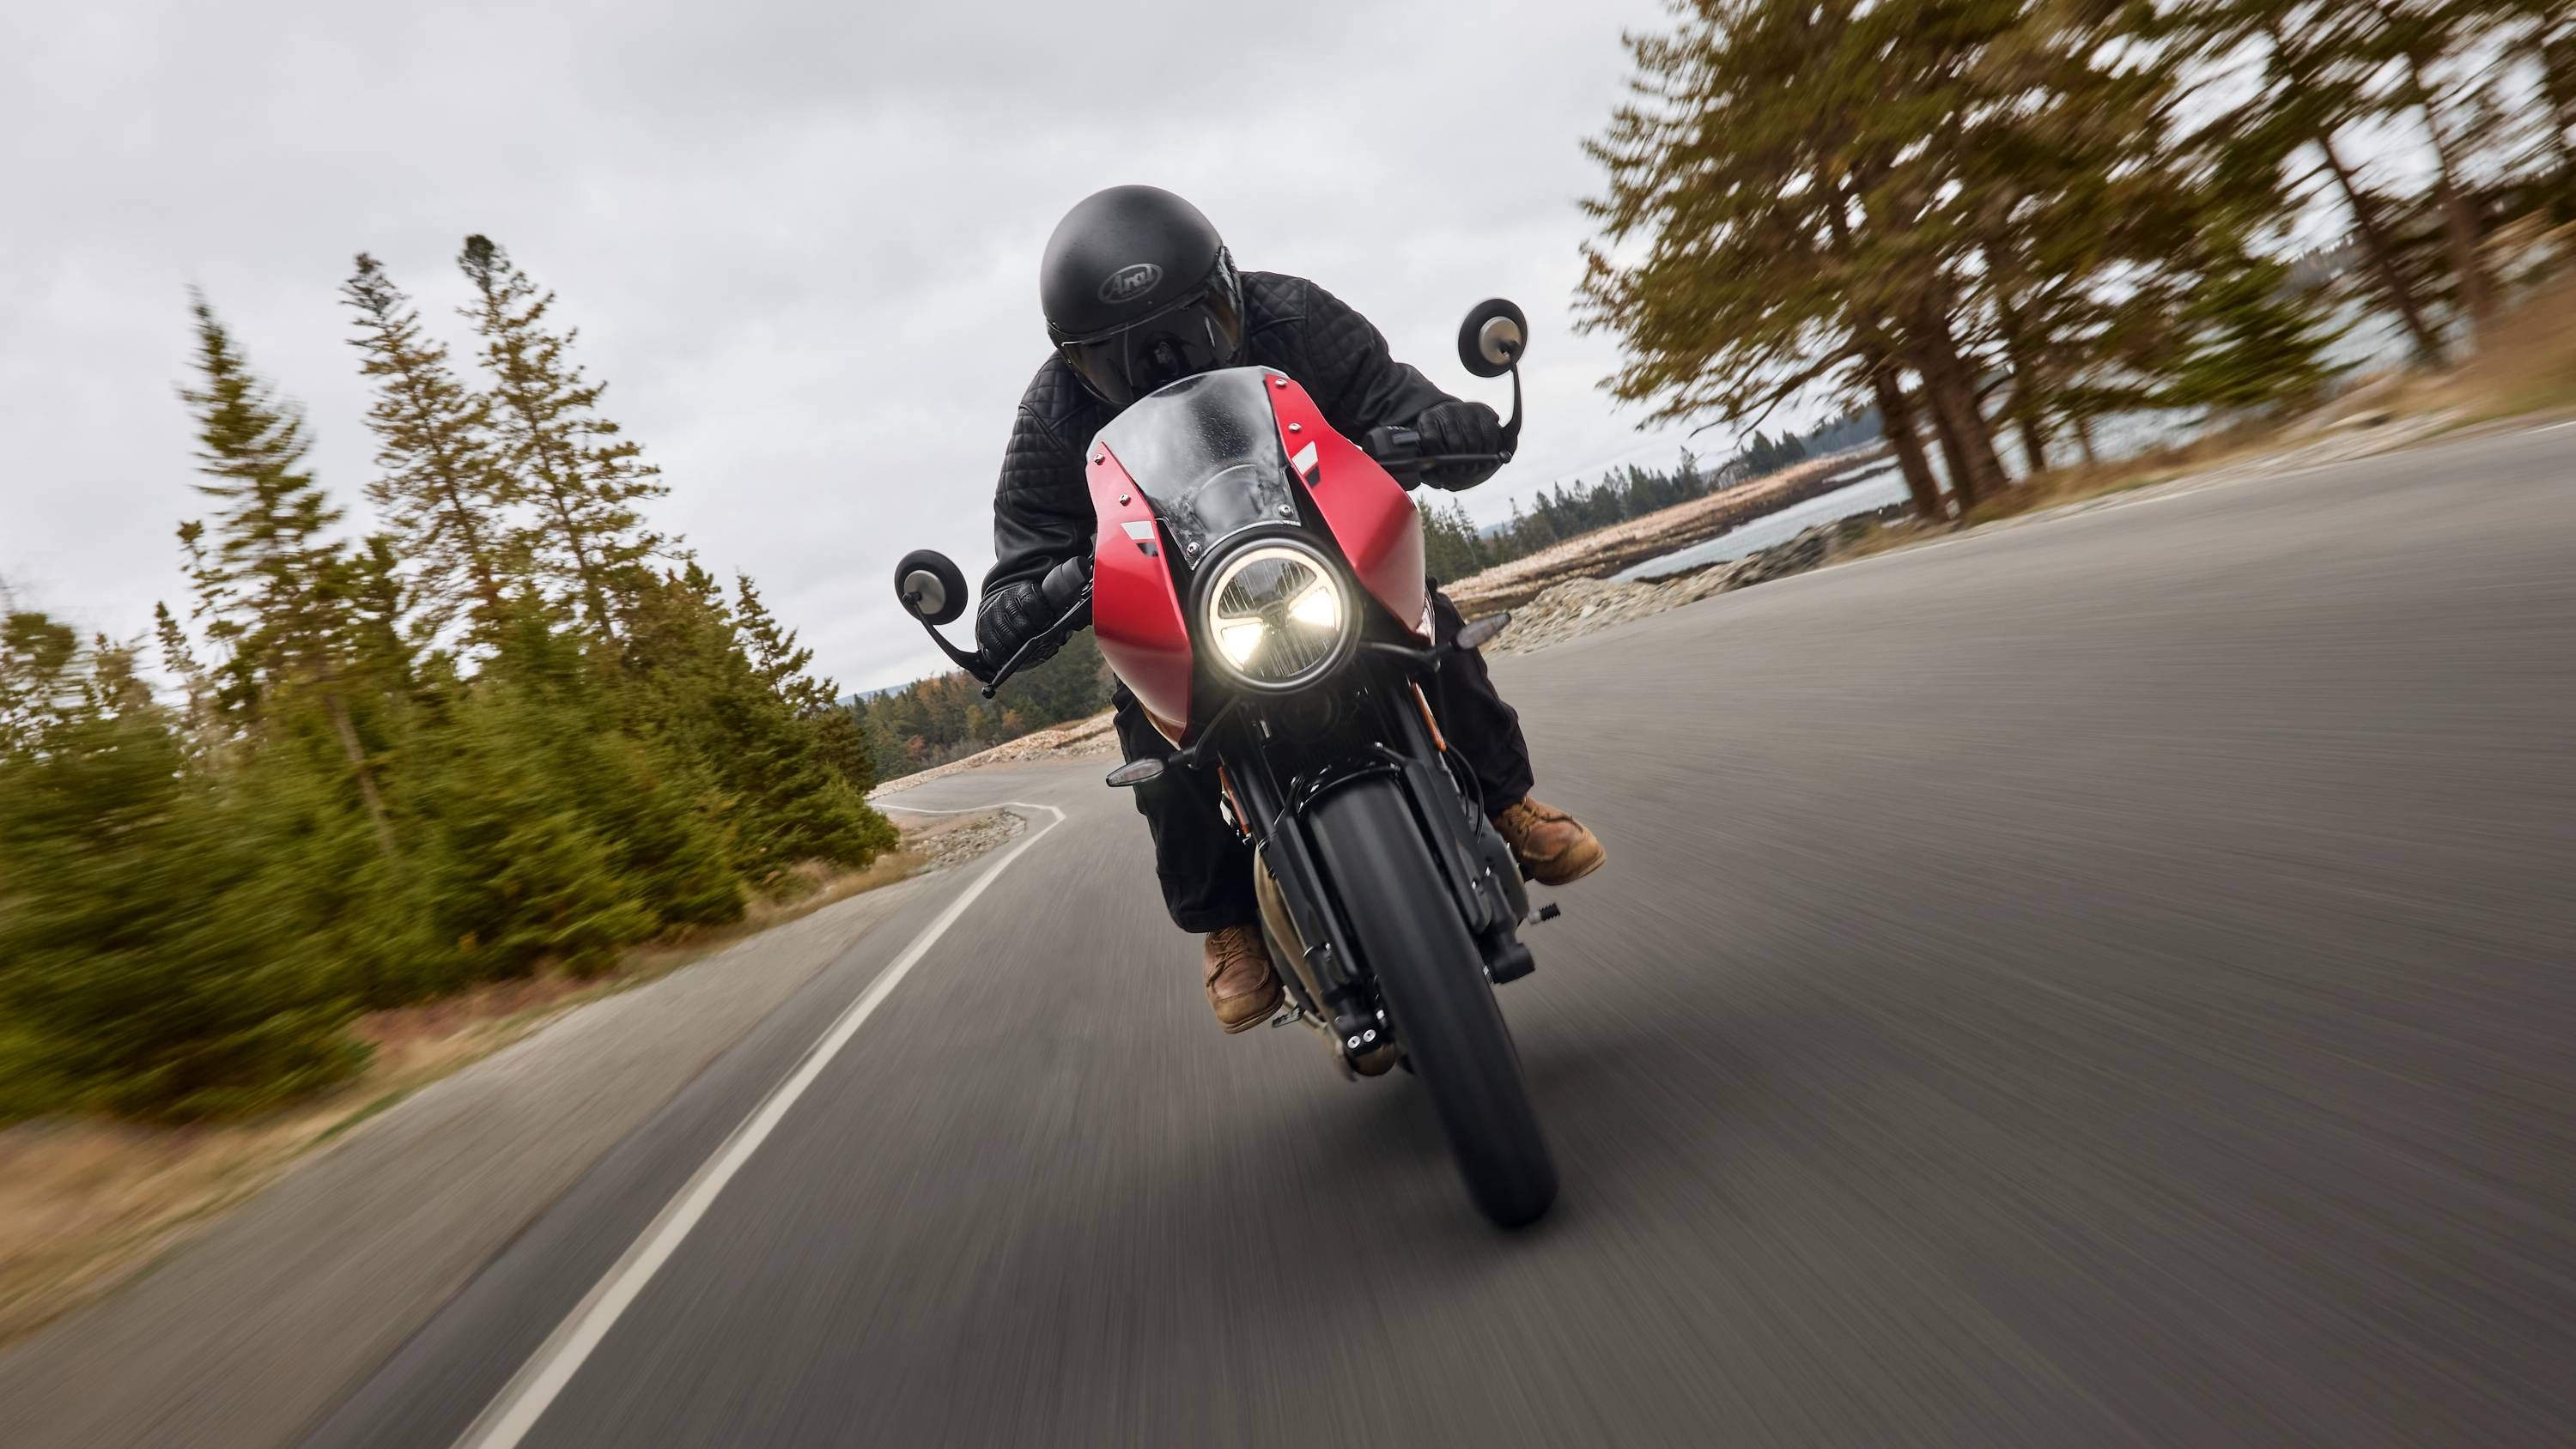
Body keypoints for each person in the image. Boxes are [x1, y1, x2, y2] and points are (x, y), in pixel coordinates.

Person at [976, 185, 1603, 1034]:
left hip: (1316, 556)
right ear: (1080, 361)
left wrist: (1441, 427)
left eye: (1185, 330)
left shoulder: (1296, 317)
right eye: (1122, 357)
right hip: (1183, 600)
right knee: (1150, 725)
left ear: (1225, 295)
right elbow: (1022, 556)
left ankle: (1505, 802)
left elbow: (1391, 398)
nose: (1163, 364)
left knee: (1431, 624)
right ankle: (1230, 924)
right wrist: (1029, 599)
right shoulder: (1053, 417)